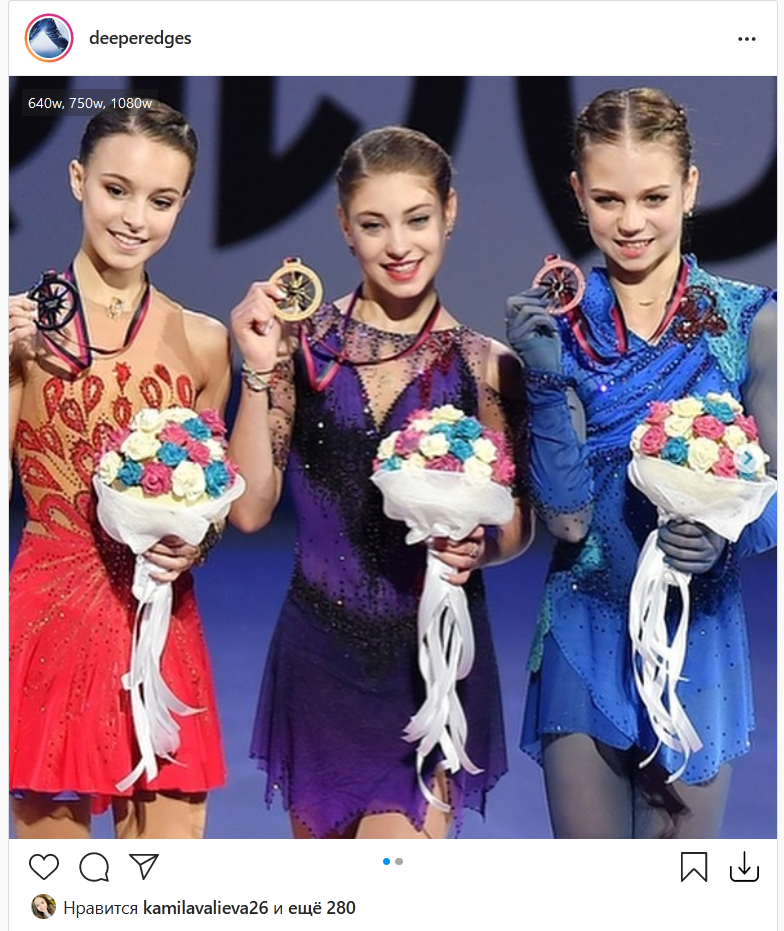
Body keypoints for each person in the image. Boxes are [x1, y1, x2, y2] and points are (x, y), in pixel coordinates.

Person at [229, 126, 533, 839]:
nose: (399, 245)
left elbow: (517, 521)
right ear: (344, 226)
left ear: (450, 211)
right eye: (374, 224)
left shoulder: (487, 366)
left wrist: (481, 548)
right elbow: (250, 510)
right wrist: (258, 369)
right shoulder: (302, 345)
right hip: (318, 655)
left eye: (417, 219)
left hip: (429, 662)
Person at [506, 87, 776, 839]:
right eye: (608, 199)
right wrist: (544, 379)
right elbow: (566, 520)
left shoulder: (751, 322)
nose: (631, 222)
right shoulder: (559, 326)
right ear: (577, 194)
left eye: (653, 197)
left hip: (699, 634)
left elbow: (777, 496)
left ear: (690, 188)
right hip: (582, 626)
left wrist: (727, 533)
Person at [9, 102, 231, 839]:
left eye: (161, 200)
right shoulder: (17, 330)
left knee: (167, 886)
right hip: (47, 618)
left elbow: (215, 500)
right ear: (78, 180)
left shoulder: (203, 340)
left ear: (183, 204)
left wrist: (194, 545)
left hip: (161, 622)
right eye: (116, 189)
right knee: (59, 887)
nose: (136, 218)